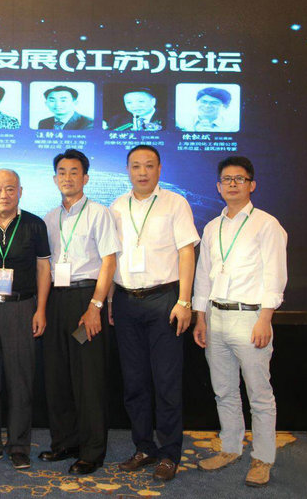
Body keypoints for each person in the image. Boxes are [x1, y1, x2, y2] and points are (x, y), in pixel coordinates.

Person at [192, 156, 287, 487]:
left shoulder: (267, 225)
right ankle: (230, 447)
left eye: (239, 179)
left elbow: (275, 275)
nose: (232, 184)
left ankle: (263, 458)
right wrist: (200, 317)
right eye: (226, 179)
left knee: (259, 393)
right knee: (224, 390)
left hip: (251, 318)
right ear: (218, 187)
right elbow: (203, 275)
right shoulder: (212, 227)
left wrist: (265, 319)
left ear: (252, 185)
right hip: (215, 317)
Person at [108, 144, 199, 481]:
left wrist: (185, 301)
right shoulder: (117, 206)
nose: (142, 172)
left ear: (159, 169)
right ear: (127, 170)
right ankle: (144, 447)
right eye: (136, 166)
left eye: (149, 165)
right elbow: (112, 257)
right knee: (134, 382)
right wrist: (111, 300)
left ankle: (170, 453)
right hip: (126, 301)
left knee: (166, 382)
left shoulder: (175, 203)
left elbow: (186, 253)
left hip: (165, 301)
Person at [40, 149, 118, 475]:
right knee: (57, 376)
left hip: (86, 300)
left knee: (88, 378)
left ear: (85, 178)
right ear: (55, 178)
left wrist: (96, 306)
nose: (67, 177)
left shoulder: (99, 213)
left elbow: (109, 261)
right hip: (56, 300)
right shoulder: (48, 218)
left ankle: (92, 451)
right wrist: (42, 308)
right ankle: (65, 443)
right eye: (62, 172)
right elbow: (44, 266)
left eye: (74, 172)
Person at [0, 169, 51, 470]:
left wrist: (41, 309)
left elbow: (43, 270)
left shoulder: (34, 224)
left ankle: (18, 446)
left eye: (9, 189)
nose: (3, 195)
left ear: (20, 191)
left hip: (21, 307)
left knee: (20, 380)